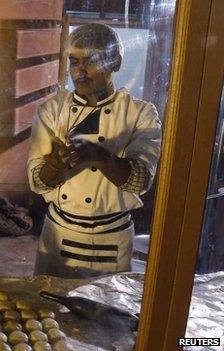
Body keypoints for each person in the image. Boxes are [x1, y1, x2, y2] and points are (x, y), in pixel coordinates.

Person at [27, 23, 162, 278]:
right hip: (59, 233)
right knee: (48, 310)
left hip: (112, 239)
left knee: (105, 313)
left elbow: (140, 181)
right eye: (74, 62)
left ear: (116, 63)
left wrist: (99, 155)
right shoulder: (52, 111)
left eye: (92, 62)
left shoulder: (140, 113)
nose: (80, 72)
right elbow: (37, 181)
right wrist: (55, 166)